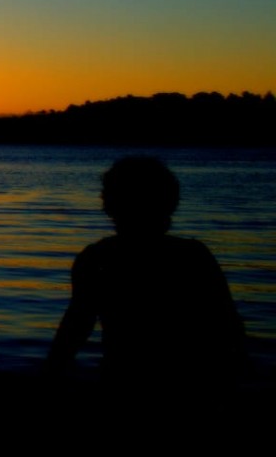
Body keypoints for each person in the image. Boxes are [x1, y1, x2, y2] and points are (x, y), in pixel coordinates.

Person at [46, 156, 246, 401]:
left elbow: (75, 328)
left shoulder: (96, 259)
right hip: (192, 387)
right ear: (170, 203)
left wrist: (50, 375)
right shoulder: (193, 256)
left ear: (110, 206)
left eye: (106, 196)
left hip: (124, 385)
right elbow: (228, 327)